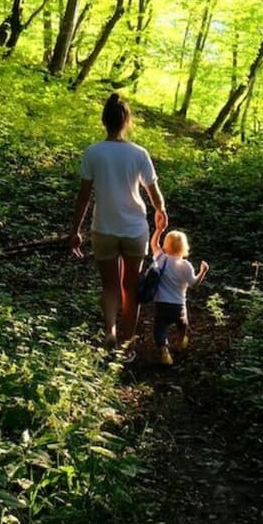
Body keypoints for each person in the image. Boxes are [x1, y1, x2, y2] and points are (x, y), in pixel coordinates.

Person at [70, 93, 167, 349]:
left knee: (110, 285)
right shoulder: (139, 153)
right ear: (127, 121)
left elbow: (83, 198)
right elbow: (154, 194)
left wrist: (75, 230)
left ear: (104, 121)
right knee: (131, 285)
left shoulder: (93, 152)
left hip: (104, 228)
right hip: (135, 229)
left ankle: (110, 331)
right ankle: (127, 341)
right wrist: (161, 212)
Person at [148, 225, 208, 366]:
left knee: (160, 328)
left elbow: (153, 244)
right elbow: (193, 283)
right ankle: (179, 342)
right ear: (184, 247)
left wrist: (158, 230)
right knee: (182, 324)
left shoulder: (160, 258)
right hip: (178, 305)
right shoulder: (185, 265)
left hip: (161, 303)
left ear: (166, 244)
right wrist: (203, 271)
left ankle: (164, 351)